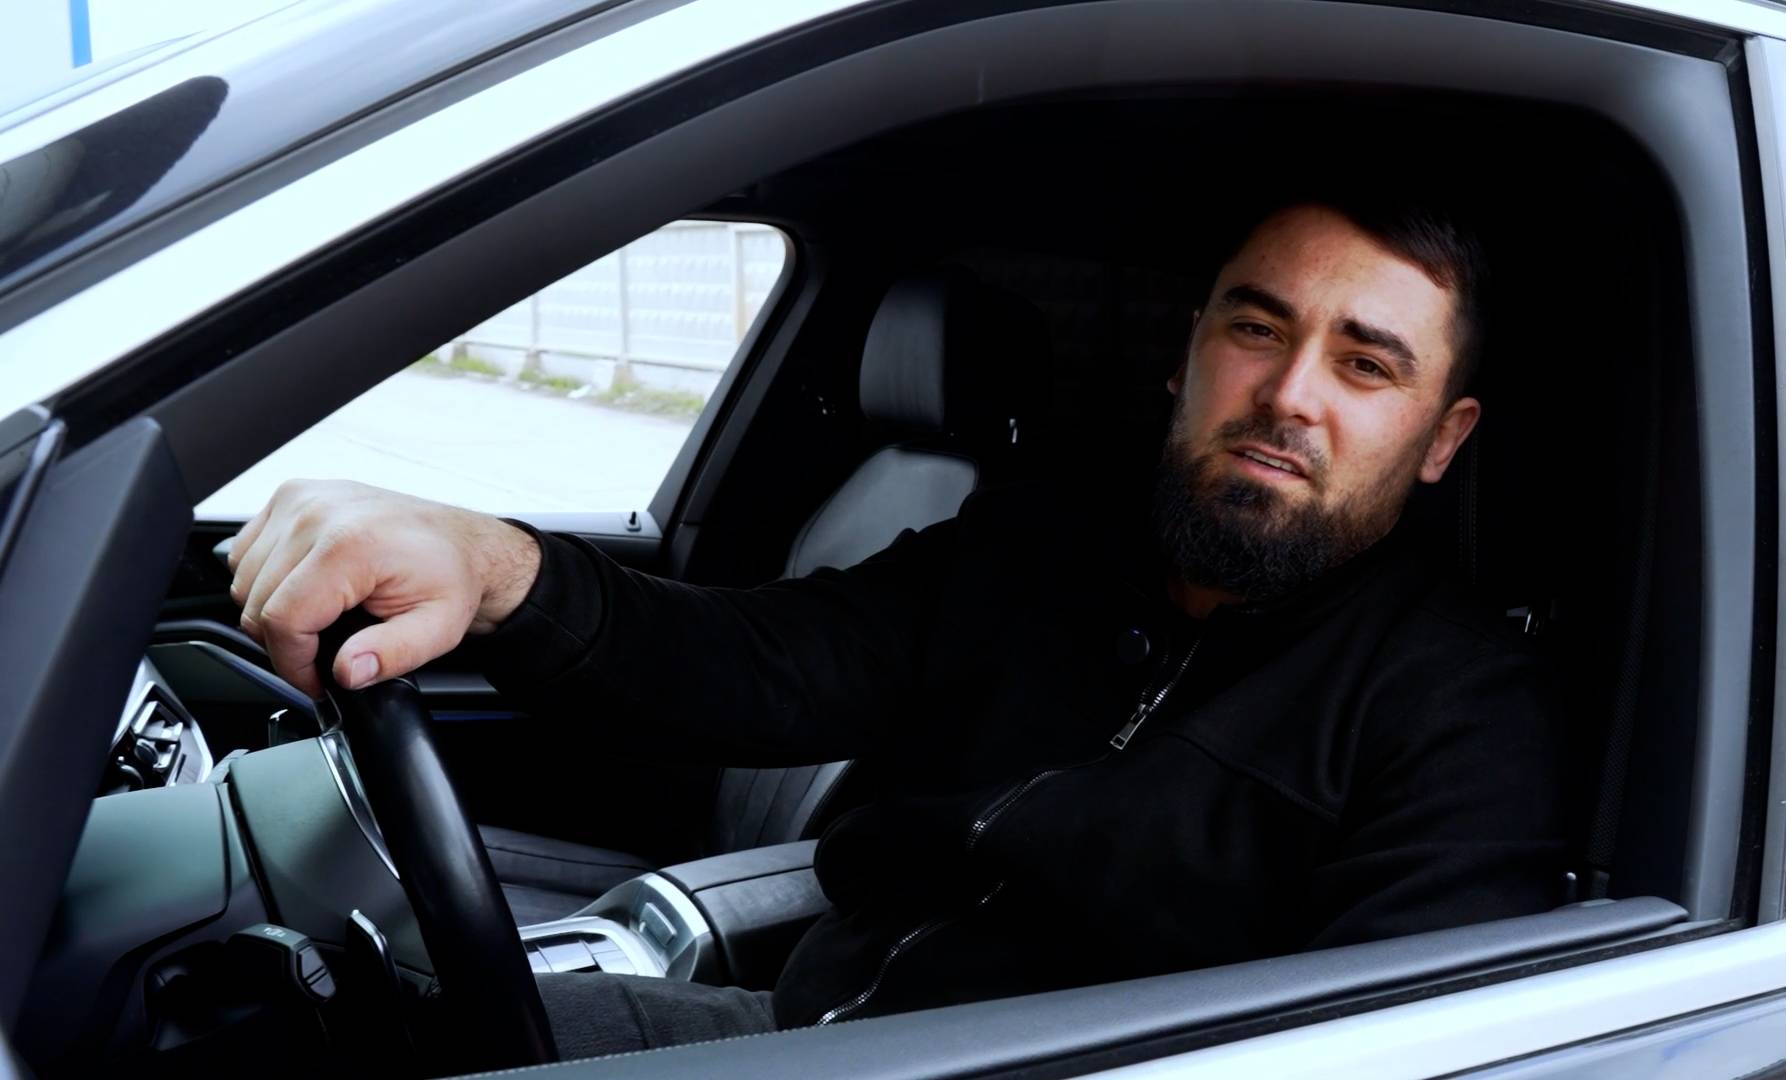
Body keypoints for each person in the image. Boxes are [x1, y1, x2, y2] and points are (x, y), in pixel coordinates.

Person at [226, 191, 1567, 1057]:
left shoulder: (1460, 713)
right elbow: (756, 664)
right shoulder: (1048, 546)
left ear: (1443, 439)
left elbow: (1393, 1050)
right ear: (1189, 354)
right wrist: (491, 565)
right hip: (802, 1023)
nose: (1289, 394)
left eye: (1366, 364)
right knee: (292, 1022)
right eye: (1257, 330)